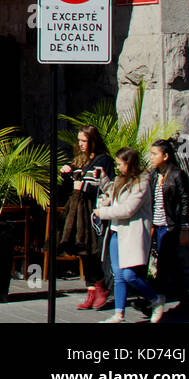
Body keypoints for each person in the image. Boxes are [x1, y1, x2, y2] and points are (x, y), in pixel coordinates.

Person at [94, 147, 169, 323]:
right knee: (118, 275)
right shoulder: (120, 179)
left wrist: (103, 212)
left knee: (129, 275)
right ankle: (119, 313)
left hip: (132, 233)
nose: (118, 167)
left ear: (129, 163)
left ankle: (156, 299)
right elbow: (114, 194)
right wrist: (104, 180)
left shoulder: (142, 181)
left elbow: (128, 209)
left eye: (120, 164)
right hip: (117, 231)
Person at [58, 125, 114, 310]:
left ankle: (100, 288)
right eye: (79, 141)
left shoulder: (104, 160)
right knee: (81, 249)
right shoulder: (81, 159)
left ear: (93, 141)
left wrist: (82, 185)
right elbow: (71, 185)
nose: (81, 144)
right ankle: (91, 290)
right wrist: (67, 173)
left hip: (93, 210)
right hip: (77, 209)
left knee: (92, 250)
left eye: (84, 141)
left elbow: (104, 185)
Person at [147, 138, 189, 316]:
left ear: (165, 156)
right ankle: (186, 302)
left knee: (164, 265)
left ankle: (153, 301)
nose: (151, 157)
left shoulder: (177, 174)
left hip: (170, 227)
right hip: (156, 226)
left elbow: (185, 201)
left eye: (154, 154)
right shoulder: (153, 175)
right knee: (173, 266)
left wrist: (184, 227)